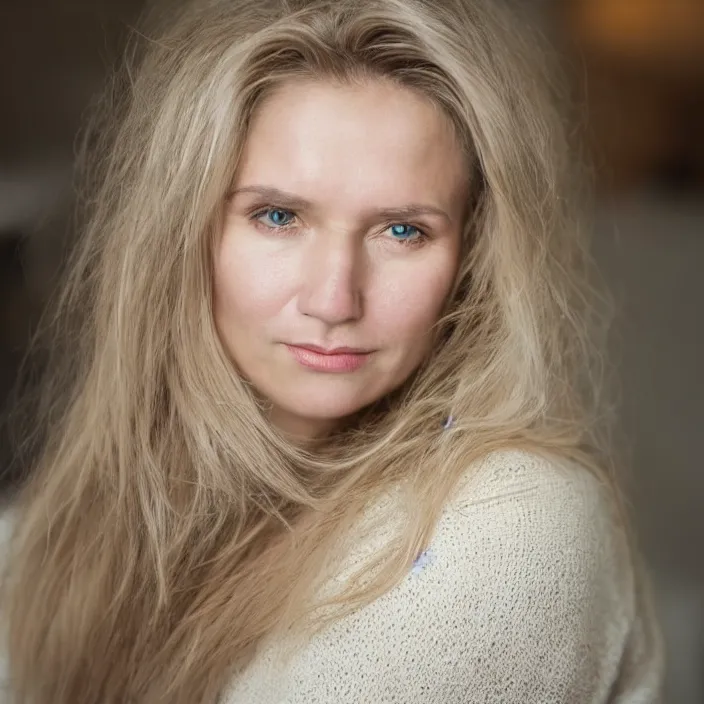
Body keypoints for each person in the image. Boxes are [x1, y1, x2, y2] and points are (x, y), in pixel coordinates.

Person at [0, 0, 665, 701]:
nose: (334, 299)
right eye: (279, 216)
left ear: (472, 258)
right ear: (182, 235)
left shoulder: (514, 522)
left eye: (403, 231)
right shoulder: (109, 503)